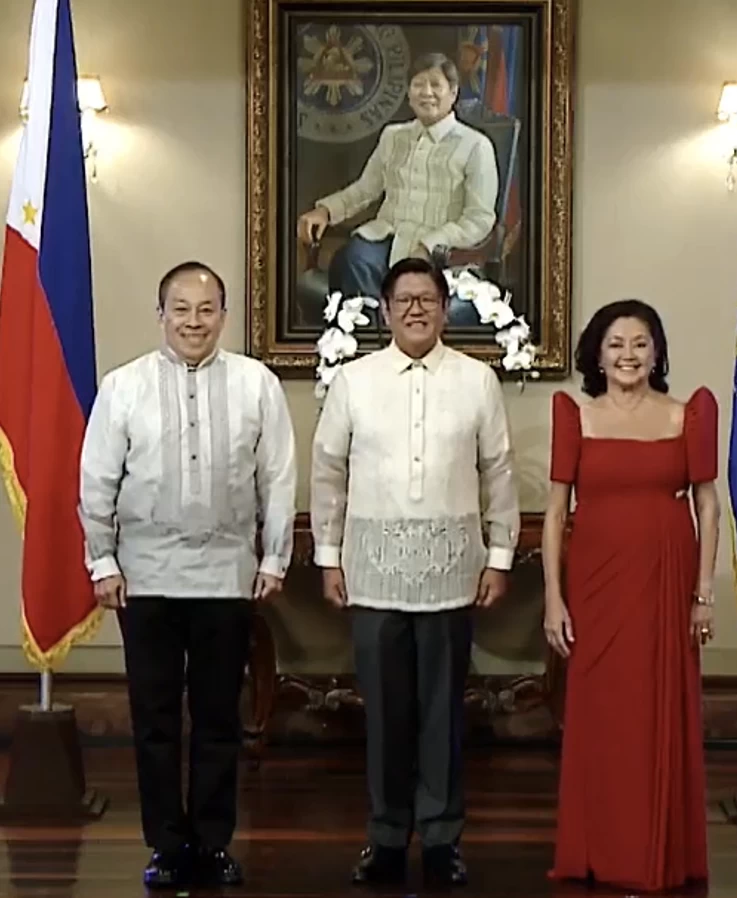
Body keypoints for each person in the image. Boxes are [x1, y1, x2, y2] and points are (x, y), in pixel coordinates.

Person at [78, 261, 297, 890]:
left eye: (206, 310)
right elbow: (97, 480)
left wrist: (274, 557)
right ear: (161, 315)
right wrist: (103, 560)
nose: (193, 321)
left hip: (226, 574)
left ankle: (212, 841)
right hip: (143, 578)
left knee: (218, 717)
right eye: (181, 308)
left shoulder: (257, 384)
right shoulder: (124, 388)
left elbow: (277, 477)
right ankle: (167, 845)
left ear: (223, 316)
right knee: (154, 718)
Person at [310, 256, 519, 888]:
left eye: (427, 298)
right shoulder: (354, 380)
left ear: (444, 306)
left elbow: (498, 473)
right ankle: (384, 835)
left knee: (442, 715)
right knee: (386, 714)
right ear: (385, 307)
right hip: (373, 572)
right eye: (404, 300)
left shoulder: (478, 380)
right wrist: (327, 557)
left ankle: (441, 837)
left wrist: (501, 556)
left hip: (454, 574)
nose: (416, 310)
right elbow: (328, 472)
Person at [542, 299, 719, 892]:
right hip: (594, 585)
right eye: (616, 343)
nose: (628, 355)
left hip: (667, 581)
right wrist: (553, 599)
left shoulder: (687, 414)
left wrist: (703, 594)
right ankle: (600, 850)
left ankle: (658, 850)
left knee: (656, 710)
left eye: (641, 343)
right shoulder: (575, 416)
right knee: (602, 715)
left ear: (657, 352)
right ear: (597, 353)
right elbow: (554, 512)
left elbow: (708, 505)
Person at [297, 52, 498, 326]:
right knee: (352, 259)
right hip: (388, 237)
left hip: (442, 252)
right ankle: (369, 347)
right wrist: (325, 211)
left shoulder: (476, 145)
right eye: (418, 84)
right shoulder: (394, 136)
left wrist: (431, 244)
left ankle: (397, 346)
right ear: (408, 93)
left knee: (413, 282)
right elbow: (365, 189)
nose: (426, 93)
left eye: (435, 85)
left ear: (453, 93)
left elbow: (479, 219)